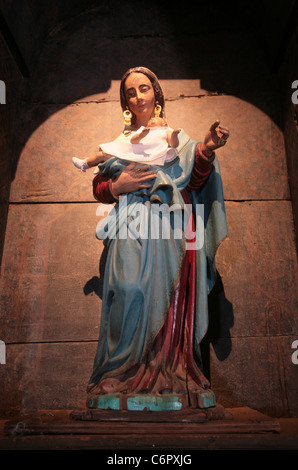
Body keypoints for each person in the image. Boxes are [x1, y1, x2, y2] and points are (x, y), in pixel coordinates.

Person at [87, 66, 230, 411]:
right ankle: (120, 372)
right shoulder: (121, 144)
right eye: (131, 93)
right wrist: (115, 187)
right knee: (128, 290)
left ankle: (170, 370)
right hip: (130, 227)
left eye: (144, 89)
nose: (138, 97)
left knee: (170, 297)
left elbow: (194, 180)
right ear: (125, 102)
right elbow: (99, 185)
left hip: (169, 226)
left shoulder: (177, 140)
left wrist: (207, 149)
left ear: (156, 94)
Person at [72, 115, 180, 171]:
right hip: (133, 151)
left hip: (150, 156)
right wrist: (142, 135)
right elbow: (133, 141)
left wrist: (174, 134)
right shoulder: (143, 130)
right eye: (150, 121)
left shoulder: (165, 131)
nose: (150, 121)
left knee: (104, 156)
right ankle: (85, 164)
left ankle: (87, 163)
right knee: (103, 154)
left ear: (163, 123)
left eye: (154, 120)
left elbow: (174, 144)